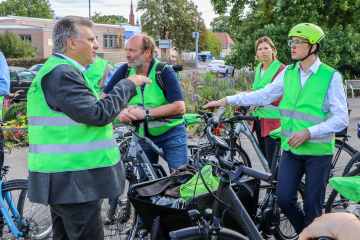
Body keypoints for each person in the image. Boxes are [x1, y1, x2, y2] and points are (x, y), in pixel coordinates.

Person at [202, 23, 349, 233]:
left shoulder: (330, 76)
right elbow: (263, 94)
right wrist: (227, 99)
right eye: (291, 42)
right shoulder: (288, 72)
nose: (292, 46)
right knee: (285, 198)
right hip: (291, 149)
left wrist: (310, 132)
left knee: (313, 209)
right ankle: (309, 235)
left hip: (317, 153)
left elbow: (341, 119)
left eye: (298, 42)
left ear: (314, 47)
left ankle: (312, 235)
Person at [27, 15, 151, 239]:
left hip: (63, 178)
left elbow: (81, 113)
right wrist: (128, 84)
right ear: (71, 43)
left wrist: (117, 109)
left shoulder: (55, 70)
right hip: (74, 182)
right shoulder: (63, 73)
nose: (96, 45)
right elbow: (97, 114)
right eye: (91, 39)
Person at [101, 33, 188, 180]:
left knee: (180, 180)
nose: (127, 55)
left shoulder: (163, 71)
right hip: (141, 133)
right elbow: (103, 100)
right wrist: (118, 113)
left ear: (147, 52)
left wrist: (145, 113)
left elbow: (180, 107)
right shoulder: (125, 71)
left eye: (132, 51)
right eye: (126, 50)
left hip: (171, 133)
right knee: (146, 183)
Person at [248, 36, 285, 168]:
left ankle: (277, 187)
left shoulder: (281, 69)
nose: (263, 51)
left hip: (273, 121)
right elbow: (259, 89)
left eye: (266, 48)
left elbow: (283, 93)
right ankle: (273, 184)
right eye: (260, 49)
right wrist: (247, 93)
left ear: (272, 50)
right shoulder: (259, 67)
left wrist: (261, 101)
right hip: (259, 119)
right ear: (256, 53)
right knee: (264, 158)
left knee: (272, 160)